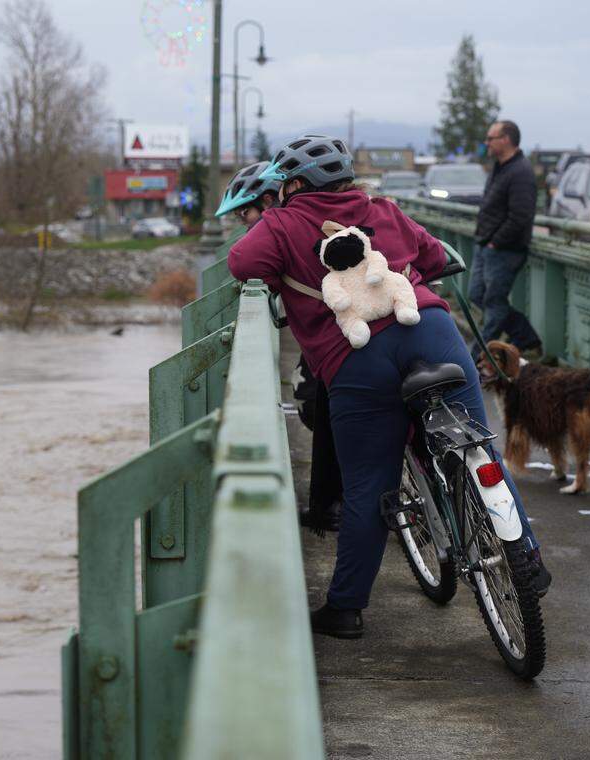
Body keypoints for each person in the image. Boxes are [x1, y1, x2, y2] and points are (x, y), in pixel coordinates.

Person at [228, 135, 550, 639]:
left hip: (358, 361)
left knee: (368, 488)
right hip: (432, 332)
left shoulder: (281, 223)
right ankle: (526, 557)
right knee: (481, 446)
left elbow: (242, 264)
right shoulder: (382, 208)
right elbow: (433, 255)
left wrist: (288, 268)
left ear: (292, 185)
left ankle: (346, 608)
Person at [216, 162, 343, 532]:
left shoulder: (284, 227)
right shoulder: (308, 222)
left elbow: (240, 262)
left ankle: (330, 507)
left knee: (321, 399)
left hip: (342, 341)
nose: (244, 223)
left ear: (271, 200)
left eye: (245, 213)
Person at [470, 120, 542, 357]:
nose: (486, 143)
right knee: (477, 295)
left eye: (491, 138)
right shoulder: (500, 167)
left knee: (494, 303)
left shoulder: (520, 172)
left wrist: (495, 242)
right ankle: (524, 336)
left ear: (506, 140)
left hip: (505, 249)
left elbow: (521, 216)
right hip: (487, 245)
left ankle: (477, 355)